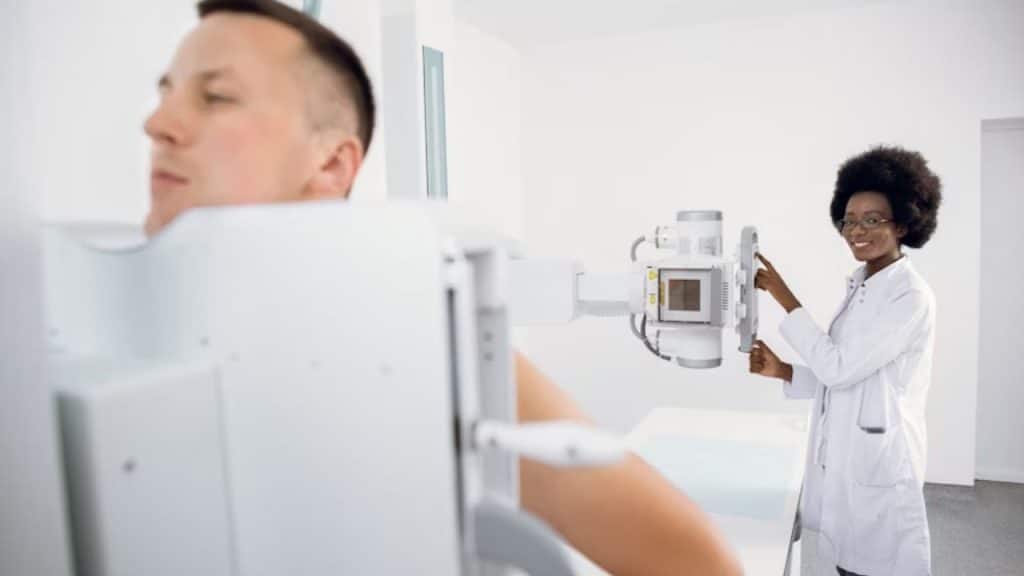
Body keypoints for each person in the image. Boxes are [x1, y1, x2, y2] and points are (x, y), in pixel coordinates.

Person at [144, 1, 741, 574]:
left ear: (331, 165)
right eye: (166, 92)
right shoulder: (106, 334)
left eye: (215, 96)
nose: (158, 123)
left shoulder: (429, 352)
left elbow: (698, 565)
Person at [749, 145, 942, 575]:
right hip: (852, 460)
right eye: (850, 220)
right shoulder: (864, 286)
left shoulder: (908, 296)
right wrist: (783, 371)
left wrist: (783, 295)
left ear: (904, 223)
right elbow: (849, 377)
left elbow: (839, 368)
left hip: (881, 464)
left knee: (874, 564)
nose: (858, 230)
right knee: (848, 565)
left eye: (873, 219)